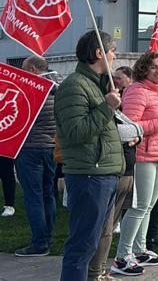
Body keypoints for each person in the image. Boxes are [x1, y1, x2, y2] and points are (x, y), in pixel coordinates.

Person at [55, 30, 124, 281]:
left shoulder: (96, 84)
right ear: (98, 53)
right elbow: (75, 132)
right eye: (112, 50)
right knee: (81, 246)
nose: (114, 55)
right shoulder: (74, 85)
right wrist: (107, 107)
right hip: (89, 176)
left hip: (103, 173)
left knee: (90, 244)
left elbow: (99, 131)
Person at [112, 53, 158, 273]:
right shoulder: (137, 91)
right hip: (143, 157)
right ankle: (122, 256)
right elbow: (129, 127)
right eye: (154, 67)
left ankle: (139, 249)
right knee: (139, 207)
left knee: (147, 206)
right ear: (143, 69)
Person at [91, 66, 142, 278]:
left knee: (109, 229)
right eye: (114, 87)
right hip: (107, 173)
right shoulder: (102, 109)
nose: (119, 91)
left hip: (124, 171)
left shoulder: (115, 111)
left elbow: (135, 128)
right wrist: (135, 132)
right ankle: (94, 271)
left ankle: (99, 269)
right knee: (101, 229)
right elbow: (123, 130)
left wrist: (137, 133)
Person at [13, 56, 59, 255]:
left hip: (30, 148)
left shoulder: (31, 90)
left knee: (34, 197)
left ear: (32, 69)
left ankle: (39, 243)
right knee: (48, 194)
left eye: (24, 69)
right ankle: (47, 236)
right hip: (50, 148)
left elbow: (16, 118)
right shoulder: (57, 89)